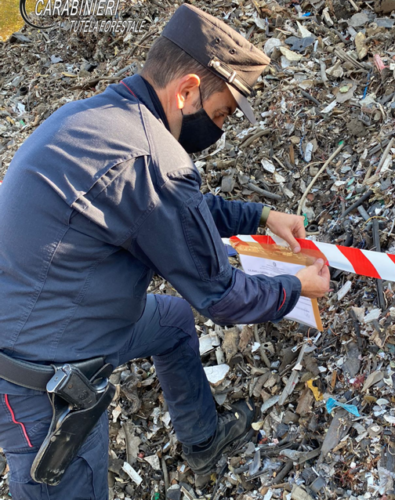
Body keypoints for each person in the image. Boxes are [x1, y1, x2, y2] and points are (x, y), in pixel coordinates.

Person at [0, 4, 330, 499]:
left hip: (58, 317)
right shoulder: (151, 157)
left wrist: (261, 218)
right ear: (188, 91)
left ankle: (203, 442)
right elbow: (220, 296)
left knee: (172, 322)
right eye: (221, 114)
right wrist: (294, 287)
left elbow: (176, 211)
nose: (221, 128)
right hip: (42, 381)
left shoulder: (105, 118)